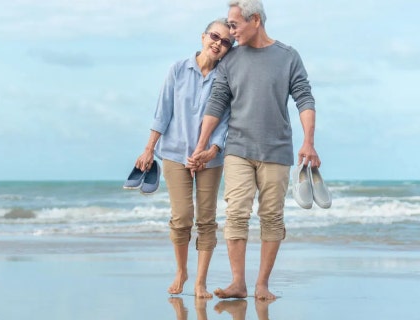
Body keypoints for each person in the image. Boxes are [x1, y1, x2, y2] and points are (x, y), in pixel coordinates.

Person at [189, 0, 320, 300]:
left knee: (272, 217)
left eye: (234, 25)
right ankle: (239, 283)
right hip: (238, 148)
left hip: (277, 150)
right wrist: (202, 145)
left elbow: (304, 99)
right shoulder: (231, 60)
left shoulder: (287, 56)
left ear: (256, 20)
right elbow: (217, 102)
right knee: (236, 213)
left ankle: (262, 284)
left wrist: (308, 141)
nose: (230, 32)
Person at [133, 18, 234, 298]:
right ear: (203, 37)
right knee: (181, 217)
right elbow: (162, 112)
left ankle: (200, 281)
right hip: (175, 154)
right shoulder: (177, 69)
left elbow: (225, 121)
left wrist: (212, 150)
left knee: (206, 219)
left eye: (226, 42)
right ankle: (181, 270)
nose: (219, 43)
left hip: (210, 159)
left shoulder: (226, 78)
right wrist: (149, 148)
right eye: (215, 36)